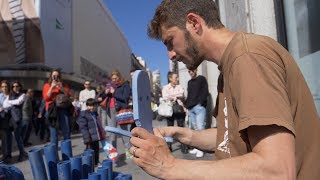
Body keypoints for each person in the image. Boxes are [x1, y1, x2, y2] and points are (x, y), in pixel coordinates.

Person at [129, 0, 320, 179]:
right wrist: (183, 134)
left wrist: (168, 166)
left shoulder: (247, 57)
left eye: (170, 41)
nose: (170, 55)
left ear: (194, 23)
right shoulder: (229, 66)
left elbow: (276, 170)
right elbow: (229, 137)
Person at [42, 69, 72, 147]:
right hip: (52, 109)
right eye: (54, 76)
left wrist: (61, 88)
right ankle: (54, 157)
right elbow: (46, 98)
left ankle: (68, 155)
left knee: (66, 131)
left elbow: (68, 96)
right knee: (53, 133)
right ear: (51, 76)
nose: (55, 77)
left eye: (57, 76)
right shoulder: (47, 85)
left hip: (62, 108)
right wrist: (52, 87)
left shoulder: (64, 85)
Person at [184, 68, 208, 158]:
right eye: (189, 71)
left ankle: (202, 149)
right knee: (194, 129)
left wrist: (201, 103)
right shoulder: (189, 82)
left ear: (196, 70)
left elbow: (205, 91)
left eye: (192, 70)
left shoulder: (201, 79)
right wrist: (186, 105)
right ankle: (197, 147)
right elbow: (189, 94)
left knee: (200, 128)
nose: (191, 72)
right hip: (191, 108)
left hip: (199, 107)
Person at [111, 70, 134, 159]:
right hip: (118, 111)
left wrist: (114, 94)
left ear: (119, 77)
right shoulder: (115, 87)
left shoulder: (125, 85)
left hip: (125, 111)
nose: (114, 80)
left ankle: (130, 150)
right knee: (123, 133)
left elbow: (125, 97)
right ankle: (127, 150)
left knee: (128, 132)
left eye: (115, 78)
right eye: (112, 79)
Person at [161, 71, 187, 152]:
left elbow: (182, 94)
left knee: (181, 129)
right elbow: (165, 97)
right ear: (170, 78)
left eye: (177, 77)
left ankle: (184, 146)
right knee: (169, 130)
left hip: (179, 109)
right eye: (176, 77)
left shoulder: (180, 86)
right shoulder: (165, 87)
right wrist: (176, 96)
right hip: (169, 110)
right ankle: (169, 146)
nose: (177, 79)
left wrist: (172, 96)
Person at [3, 81, 27, 162]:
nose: (15, 87)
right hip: (10, 119)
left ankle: (22, 154)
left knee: (17, 137)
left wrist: (10, 102)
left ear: (20, 87)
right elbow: (5, 105)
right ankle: (11, 155)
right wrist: (12, 103)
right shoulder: (10, 95)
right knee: (10, 138)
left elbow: (18, 102)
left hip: (17, 119)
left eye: (17, 86)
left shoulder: (23, 95)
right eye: (13, 86)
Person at [78, 98, 107, 165]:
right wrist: (87, 137)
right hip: (89, 138)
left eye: (93, 106)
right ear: (87, 106)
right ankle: (89, 163)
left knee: (96, 150)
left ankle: (96, 162)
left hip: (96, 137)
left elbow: (99, 125)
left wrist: (102, 133)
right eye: (90, 106)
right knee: (90, 151)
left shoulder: (95, 114)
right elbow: (83, 128)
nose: (92, 107)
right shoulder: (84, 115)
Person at [0, 80, 11, 162]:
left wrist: (4, 108)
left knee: (5, 139)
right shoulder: (0, 96)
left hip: (7, 121)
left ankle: (6, 156)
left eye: (5, 86)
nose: (4, 88)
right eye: (2, 86)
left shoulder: (11, 96)